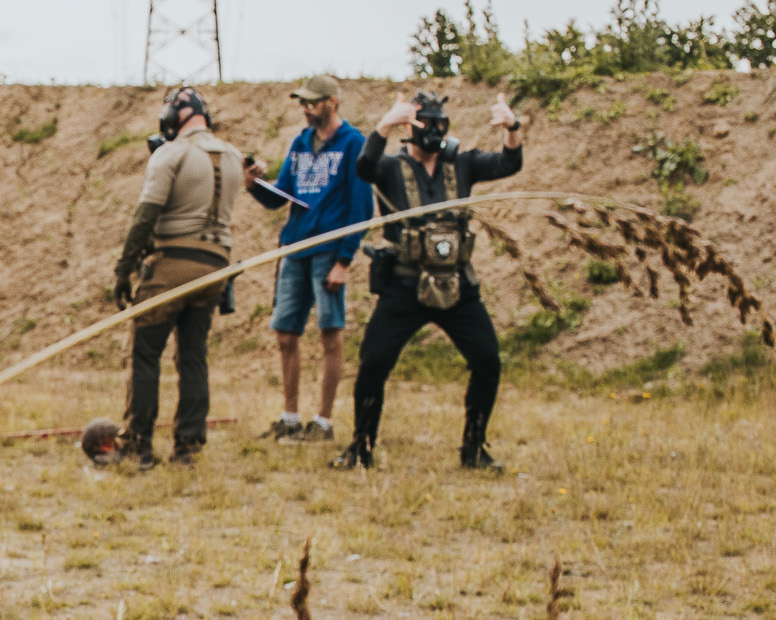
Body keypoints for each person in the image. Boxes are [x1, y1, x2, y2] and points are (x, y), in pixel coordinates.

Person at [331, 89, 523, 472]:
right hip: (404, 284)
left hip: (456, 284)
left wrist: (512, 127)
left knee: (487, 360)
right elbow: (364, 168)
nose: (433, 131)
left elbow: (508, 163)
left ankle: (474, 449)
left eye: (439, 124)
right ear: (409, 128)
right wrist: (385, 124)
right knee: (373, 364)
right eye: (425, 123)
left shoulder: (463, 164)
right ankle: (361, 448)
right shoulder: (390, 168)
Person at [109, 85, 244, 466]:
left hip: (171, 265)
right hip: (216, 268)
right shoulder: (233, 156)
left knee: (144, 353)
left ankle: (138, 444)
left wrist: (123, 270)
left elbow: (145, 216)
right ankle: (188, 447)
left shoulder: (171, 153)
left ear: (172, 117)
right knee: (193, 356)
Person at [243, 74, 372, 443]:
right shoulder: (300, 143)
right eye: (302, 102)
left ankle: (323, 422)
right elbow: (281, 195)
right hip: (294, 250)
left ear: (332, 102)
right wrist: (255, 185)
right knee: (285, 333)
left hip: (328, 251)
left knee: (329, 334)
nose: (305, 108)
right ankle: (290, 418)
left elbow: (361, 208)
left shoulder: (354, 143)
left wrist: (343, 261)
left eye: (312, 102)